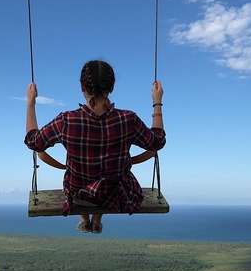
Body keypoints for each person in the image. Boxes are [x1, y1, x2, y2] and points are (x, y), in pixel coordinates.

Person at [24, 60, 165, 234]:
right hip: (115, 194)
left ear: (82, 86)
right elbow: (157, 142)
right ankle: (96, 220)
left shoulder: (66, 121)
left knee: (90, 179)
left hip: (79, 195)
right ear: (112, 87)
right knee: (106, 180)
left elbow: (33, 141)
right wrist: (157, 102)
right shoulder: (128, 119)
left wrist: (30, 103)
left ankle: (84, 219)